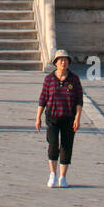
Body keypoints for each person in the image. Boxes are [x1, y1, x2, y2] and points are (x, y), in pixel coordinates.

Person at [36, 50, 83, 188]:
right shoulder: (49, 79)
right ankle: (52, 174)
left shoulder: (74, 79)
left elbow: (79, 100)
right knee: (53, 145)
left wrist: (77, 118)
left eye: (66, 60)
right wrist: (38, 117)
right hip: (52, 117)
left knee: (66, 147)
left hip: (69, 117)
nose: (63, 62)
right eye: (60, 60)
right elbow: (43, 99)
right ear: (55, 63)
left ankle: (63, 177)